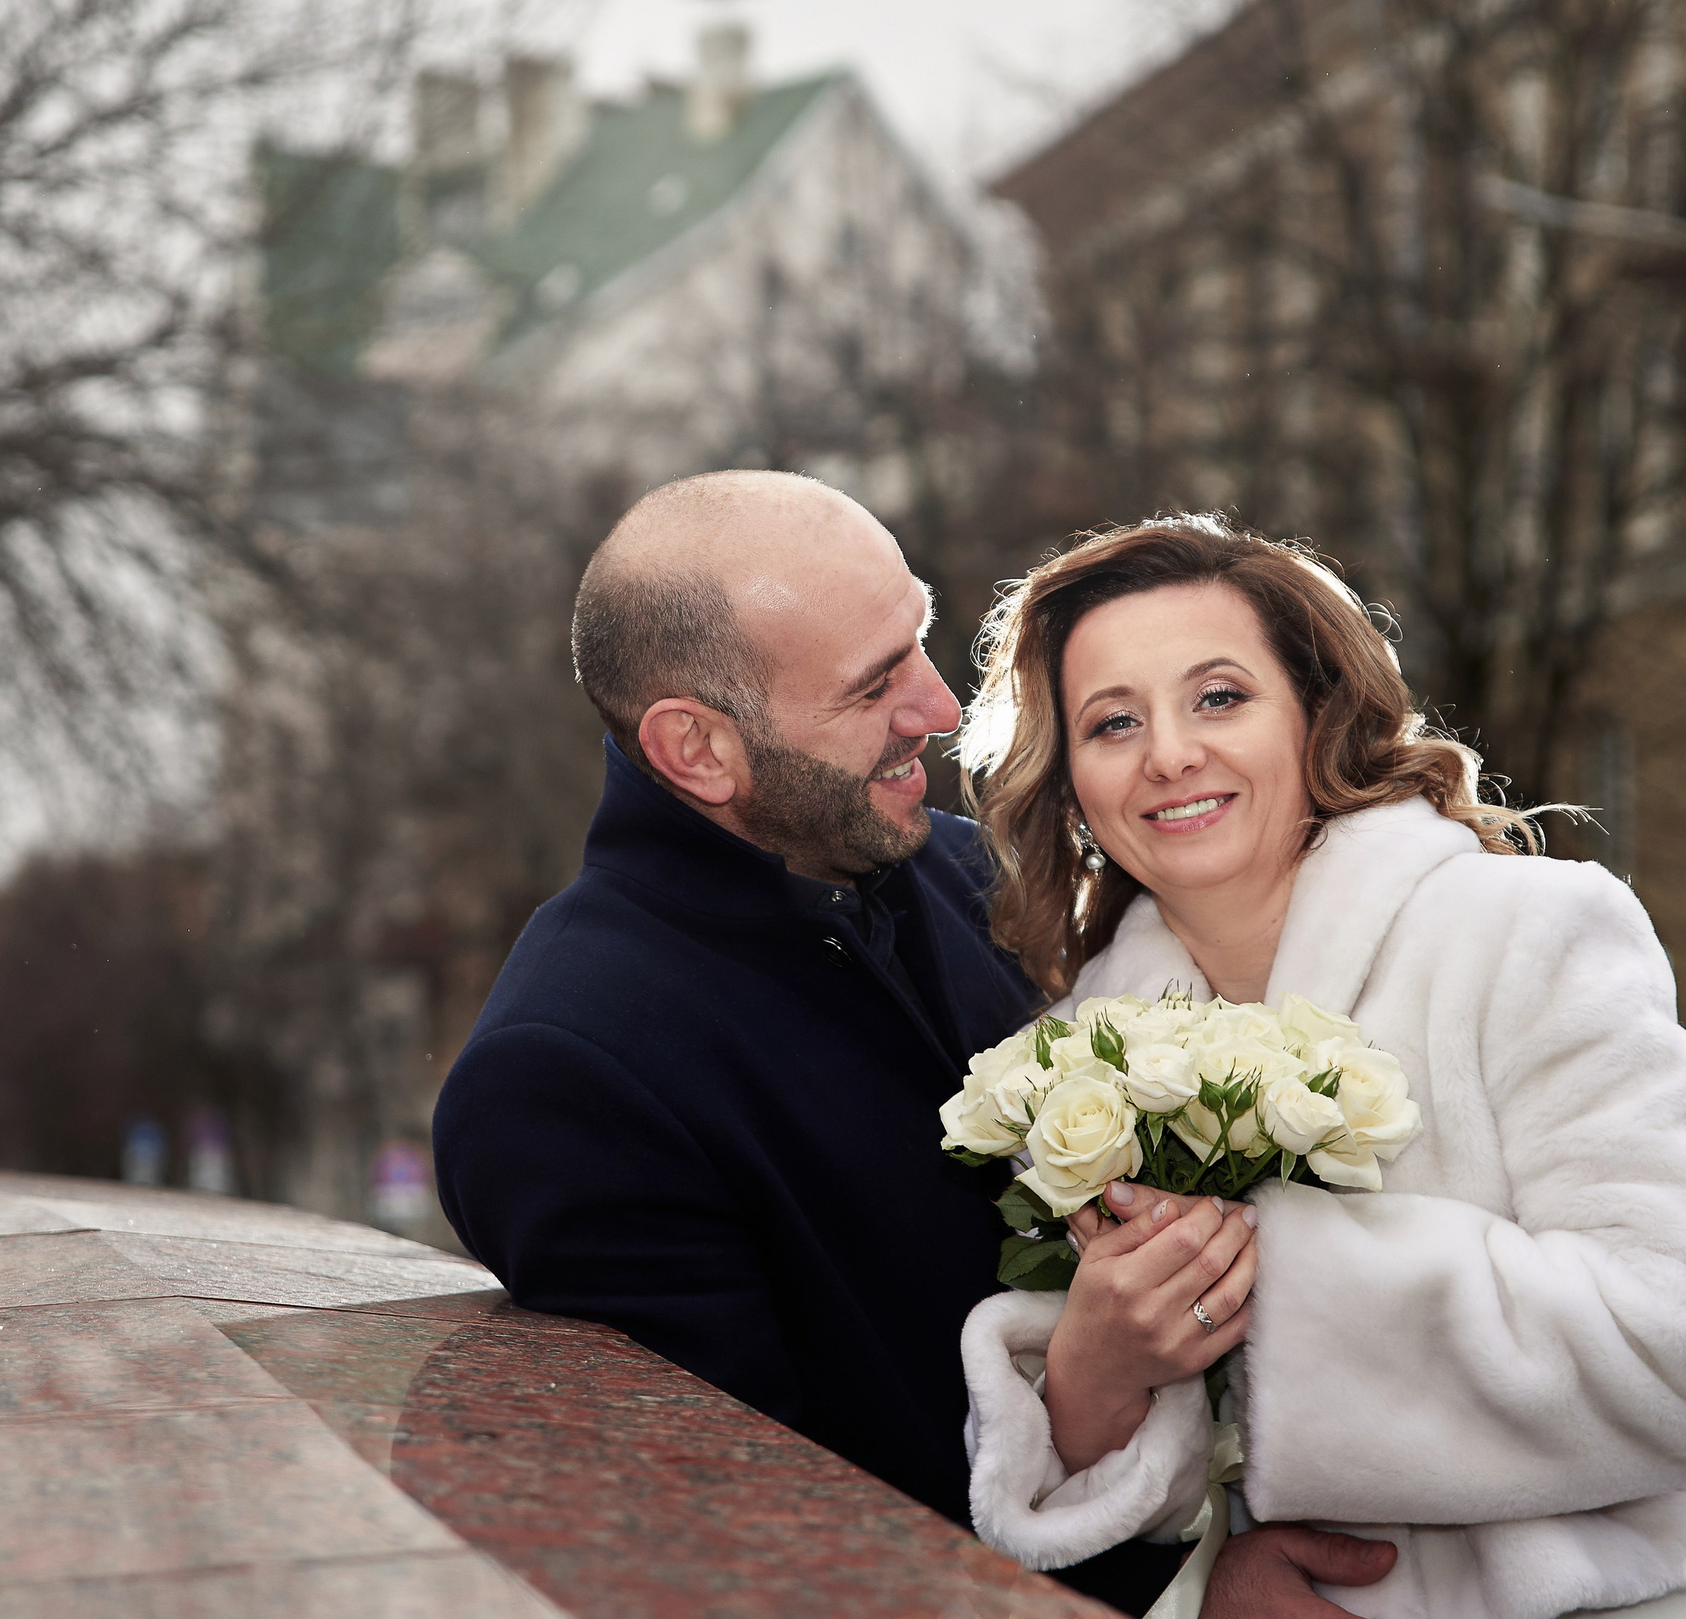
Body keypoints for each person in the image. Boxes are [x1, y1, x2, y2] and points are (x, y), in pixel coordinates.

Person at [950, 516, 1686, 1619]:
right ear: (1072, 783)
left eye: (1218, 697)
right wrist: (1098, 1368)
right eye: (1112, 722)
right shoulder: (1080, 1054)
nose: (1167, 754)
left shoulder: (1525, 934)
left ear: (1317, 714)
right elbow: (1133, 1509)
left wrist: (1269, 1277)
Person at [432, 471, 1185, 1612]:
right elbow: (770, 1545)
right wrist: (1187, 1587)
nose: (938, 707)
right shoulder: (564, 1076)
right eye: (873, 683)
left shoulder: (962, 868)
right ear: (697, 751)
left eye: (921, 641)